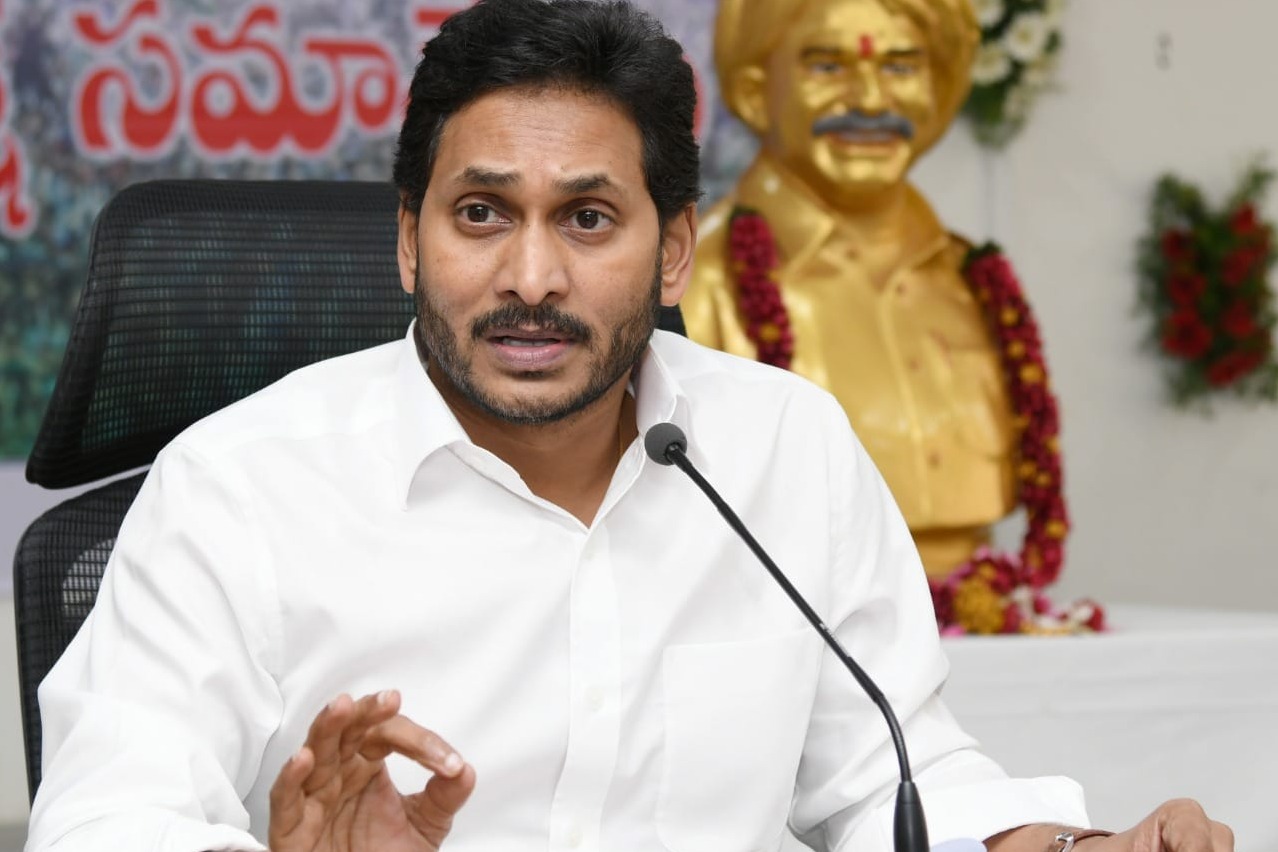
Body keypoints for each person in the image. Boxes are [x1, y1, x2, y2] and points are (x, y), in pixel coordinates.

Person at [26, 1, 1231, 851]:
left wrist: (1072, 848)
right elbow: (107, 820)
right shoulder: (239, 484)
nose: (531, 277)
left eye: (589, 219)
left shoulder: (783, 447)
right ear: (408, 243)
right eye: (481, 213)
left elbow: (892, 780)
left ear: (675, 253)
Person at [681, 0, 1024, 580]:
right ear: (756, 91)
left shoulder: (973, 279)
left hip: (976, 604)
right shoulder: (695, 286)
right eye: (827, 66)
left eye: (900, 66)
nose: (869, 100)